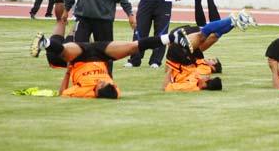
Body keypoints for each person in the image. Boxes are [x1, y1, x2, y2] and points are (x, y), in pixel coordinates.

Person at [30, 20, 192, 99]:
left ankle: (46, 42)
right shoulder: (113, 91)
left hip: (80, 58)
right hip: (101, 55)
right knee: (132, 46)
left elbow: (62, 93)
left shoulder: (84, 92)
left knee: (64, 51)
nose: (101, 81)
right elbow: (113, 92)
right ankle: (172, 37)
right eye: (106, 82)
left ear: (96, 91)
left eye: (101, 84)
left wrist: (67, 72)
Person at [163, 11, 255, 92]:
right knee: (208, 37)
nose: (207, 77)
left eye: (208, 79)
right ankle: (231, 22)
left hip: (181, 61)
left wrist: (171, 66)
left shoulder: (195, 82)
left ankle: (231, 21)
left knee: (204, 36)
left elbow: (166, 87)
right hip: (186, 60)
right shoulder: (198, 77)